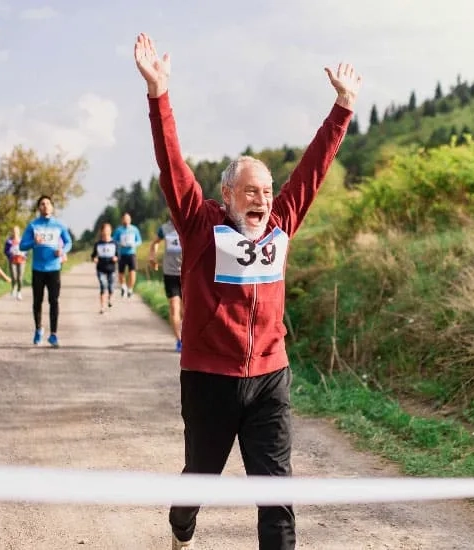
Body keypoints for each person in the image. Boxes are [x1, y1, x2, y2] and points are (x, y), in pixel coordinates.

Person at [134, 32, 361, 550]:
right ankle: (182, 527)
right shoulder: (199, 224)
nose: (262, 199)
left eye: (267, 191)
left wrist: (343, 108)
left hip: (269, 378)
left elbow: (314, 169)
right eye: (250, 191)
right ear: (227, 194)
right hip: (209, 379)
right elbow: (172, 166)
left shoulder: (281, 222)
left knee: (276, 492)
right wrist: (158, 94)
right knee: (199, 477)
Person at [19, 195, 72, 347]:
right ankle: (38, 329)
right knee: (37, 301)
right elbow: (22, 246)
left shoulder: (59, 225)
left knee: (54, 301)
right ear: (39, 208)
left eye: (48, 203)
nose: (45, 206)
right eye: (42, 204)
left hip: (54, 268)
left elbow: (69, 242)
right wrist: (33, 242)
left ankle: (53, 334)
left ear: (52, 207)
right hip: (38, 269)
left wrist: (62, 250)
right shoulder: (33, 225)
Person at [149, 216, 183, 352]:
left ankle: (187, 337)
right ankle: (179, 340)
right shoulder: (164, 228)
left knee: (186, 311)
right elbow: (155, 243)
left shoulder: (188, 223)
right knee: (174, 307)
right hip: (170, 273)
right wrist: (152, 257)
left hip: (187, 274)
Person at [91, 222, 119, 314]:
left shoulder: (114, 243)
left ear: (110, 231)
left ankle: (110, 299)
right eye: (105, 230)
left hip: (111, 268)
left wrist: (116, 258)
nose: (106, 232)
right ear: (102, 231)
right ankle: (102, 307)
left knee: (111, 287)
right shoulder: (98, 244)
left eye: (108, 230)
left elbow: (118, 255)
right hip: (101, 268)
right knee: (103, 286)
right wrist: (94, 259)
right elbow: (93, 255)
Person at [112, 212, 142, 298]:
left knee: (132, 272)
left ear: (130, 220)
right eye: (124, 219)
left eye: (127, 219)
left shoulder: (134, 229)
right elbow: (113, 240)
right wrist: (119, 243)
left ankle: (130, 289)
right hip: (121, 254)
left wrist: (134, 244)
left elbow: (139, 241)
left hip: (131, 253)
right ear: (122, 220)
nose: (126, 220)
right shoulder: (119, 230)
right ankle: (123, 286)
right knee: (121, 272)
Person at [3, 225, 27, 300]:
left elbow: (26, 249)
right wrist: (10, 254)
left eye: (16, 231)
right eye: (14, 231)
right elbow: (5, 251)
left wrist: (24, 255)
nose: (15, 232)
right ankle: (13, 287)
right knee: (14, 276)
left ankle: (19, 292)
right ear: (12, 232)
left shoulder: (22, 240)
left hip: (21, 260)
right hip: (12, 260)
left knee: (20, 277)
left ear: (19, 232)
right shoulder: (9, 241)